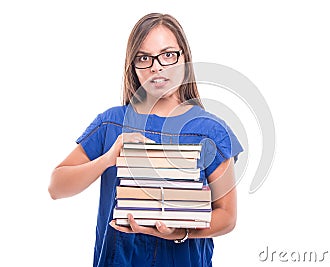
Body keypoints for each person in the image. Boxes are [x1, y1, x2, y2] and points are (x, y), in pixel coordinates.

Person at [48, 13, 243, 267]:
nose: (156, 67)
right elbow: (56, 186)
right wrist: (107, 159)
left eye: (168, 55)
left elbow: (227, 216)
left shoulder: (212, 130)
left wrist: (180, 233)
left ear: (184, 58)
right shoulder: (111, 123)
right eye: (144, 58)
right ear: (133, 65)